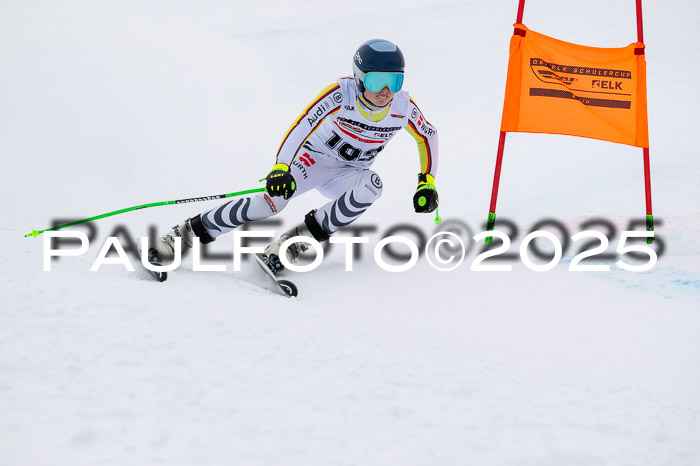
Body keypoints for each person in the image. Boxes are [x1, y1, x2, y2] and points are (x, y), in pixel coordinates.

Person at [148, 38, 439, 274]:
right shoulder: (341, 94)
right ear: (360, 78)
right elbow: (302, 126)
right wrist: (281, 168)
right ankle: (181, 236)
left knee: (372, 186)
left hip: (350, 173)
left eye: (395, 81)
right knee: (270, 203)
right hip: (314, 161)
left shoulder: (403, 107)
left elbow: (428, 136)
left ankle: (291, 244)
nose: (386, 91)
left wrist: (427, 181)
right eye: (377, 82)